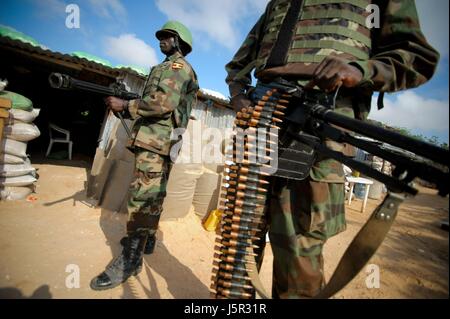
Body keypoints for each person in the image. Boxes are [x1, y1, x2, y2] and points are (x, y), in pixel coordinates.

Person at [225, 0, 439, 298]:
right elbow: (237, 66)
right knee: (237, 248)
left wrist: (360, 69)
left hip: (317, 133)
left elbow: (417, 57)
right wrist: (238, 97)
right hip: (260, 122)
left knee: (299, 259)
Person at [90, 21, 199, 291]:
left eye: (166, 36)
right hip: (160, 141)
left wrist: (127, 104)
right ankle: (146, 239)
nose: (161, 40)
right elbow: (157, 105)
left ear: (179, 42)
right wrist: (128, 108)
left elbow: (163, 104)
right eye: (160, 36)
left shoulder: (177, 68)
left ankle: (131, 259)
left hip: (158, 141)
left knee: (142, 197)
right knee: (153, 193)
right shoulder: (165, 68)